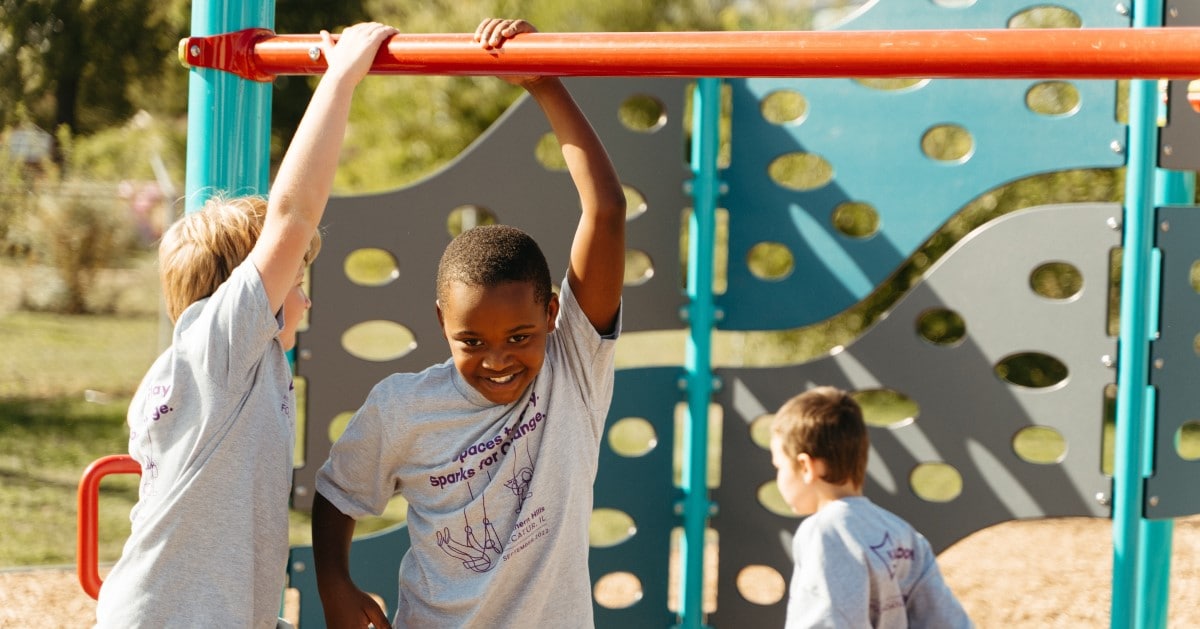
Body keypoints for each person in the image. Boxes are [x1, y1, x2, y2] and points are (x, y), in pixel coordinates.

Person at [311, 17, 626, 629]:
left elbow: (606, 210)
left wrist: (543, 83)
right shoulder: (404, 407)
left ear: (554, 313)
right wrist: (334, 584)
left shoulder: (573, 371)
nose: (499, 358)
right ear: (440, 324)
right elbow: (338, 493)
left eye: (520, 336)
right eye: (472, 341)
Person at [94, 22, 399, 628]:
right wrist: (340, 79)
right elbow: (293, 214)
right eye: (296, 283)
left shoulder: (227, 374)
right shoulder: (218, 350)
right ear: (240, 294)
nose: (305, 303)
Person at [769, 386, 974, 628]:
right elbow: (949, 622)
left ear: (806, 467)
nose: (778, 476)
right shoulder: (903, 534)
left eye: (779, 465)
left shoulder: (824, 532)